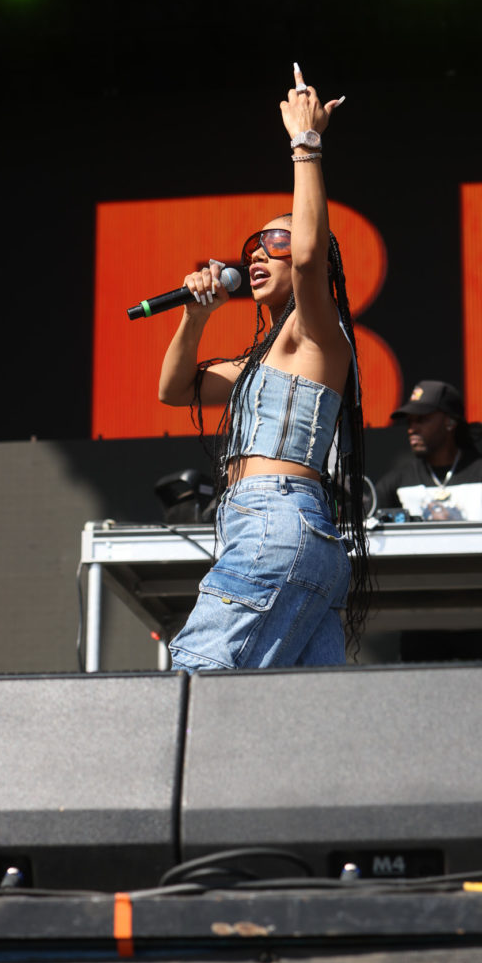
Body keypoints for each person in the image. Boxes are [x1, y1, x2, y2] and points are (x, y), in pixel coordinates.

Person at [158, 64, 369, 671]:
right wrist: (195, 315)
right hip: (285, 531)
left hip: (277, 520)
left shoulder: (315, 334)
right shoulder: (259, 359)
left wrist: (306, 144)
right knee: (295, 716)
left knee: (197, 677)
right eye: (252, 247)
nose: (257, 254)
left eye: (274, 244)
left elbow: (308, 256)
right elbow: (176, 390)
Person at [375, 379, 482, 661]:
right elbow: (362, 522)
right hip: (420, 622)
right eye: (409, 421)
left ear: (449, 422)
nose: (412, 428)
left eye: (422, 419)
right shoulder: (399, 479)